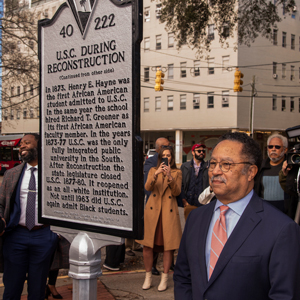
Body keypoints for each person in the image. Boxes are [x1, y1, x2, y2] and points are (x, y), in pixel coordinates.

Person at [174, 132, 300, 299]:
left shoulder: (281, 229)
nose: (216, 171)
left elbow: (284, 294)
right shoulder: (196, 218)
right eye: (213, 163)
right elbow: (183, 276)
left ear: (251, 172)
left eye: (226, 164)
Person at [0, 133, 58, 300]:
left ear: (39, 147)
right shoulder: (11, 174)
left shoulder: (53, 174)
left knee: (37, 288)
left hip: (44, 235)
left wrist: (56, 234)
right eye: (21, 144)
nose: (22, 146)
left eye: (27, 143)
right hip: (16, 235)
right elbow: (1, 203)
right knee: (11, 286)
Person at [137, 145, 182, 292]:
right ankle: (148, 276)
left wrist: (169, 176)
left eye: (168, 156)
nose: (166, 158)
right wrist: (156, 174)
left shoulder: (177, 172)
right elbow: (148, 188)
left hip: (168, 214)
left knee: (168, 248)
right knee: (147, 247)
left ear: (172, 158)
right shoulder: (151, 170)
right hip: (153, 213)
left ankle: (164, 278)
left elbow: (177, 192)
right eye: (164, 155)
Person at [143, 137, 170, 275]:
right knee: (152, 238)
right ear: (159, 149)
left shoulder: (172, 163)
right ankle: (152, 265)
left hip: (168, 206)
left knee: (165, 237)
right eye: (167, 146)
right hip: (154, 204)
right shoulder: (151, 162)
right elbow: (147, 185)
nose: (169, 148)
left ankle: (168, 264)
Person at [254, 133, 288, 212]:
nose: (273, 149)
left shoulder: (289, 167)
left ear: (285, 150)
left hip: (285, 212)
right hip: (264, 210)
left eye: (277, 147)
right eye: (270, 146)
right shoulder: (260, 167)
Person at [180, 143, 209, 220]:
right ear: (193, 152)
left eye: (203, 151)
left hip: (203, 204)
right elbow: (180, 184)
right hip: (189, 203)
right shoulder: (185, 166)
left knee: (202, 227)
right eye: (199, 151)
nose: (202, 153)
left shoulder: (208, 167)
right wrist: (184, 200)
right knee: (189, 227)